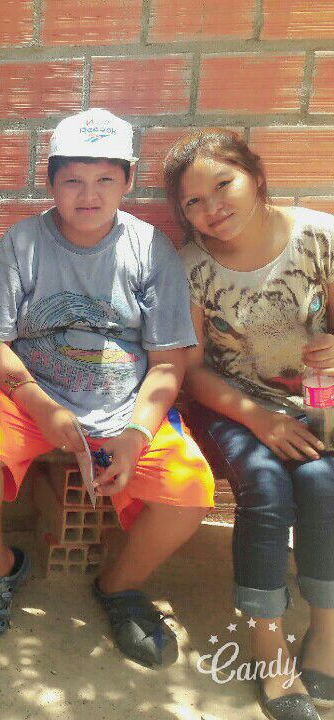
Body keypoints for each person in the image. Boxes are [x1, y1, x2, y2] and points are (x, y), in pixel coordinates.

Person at [0, 109, 214, 668]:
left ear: (128, 179)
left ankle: (120, 585)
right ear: (50, 182)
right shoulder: (23, 243)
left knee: (191, 491)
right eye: (72, 180)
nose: (88, 195)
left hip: (127, 409)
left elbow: (168, 363)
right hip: (33, 398)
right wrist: (39, 406)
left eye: (104, 180)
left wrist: (137, 434)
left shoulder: (151, 250)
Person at [166, 129, 334, 720]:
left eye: (224, 184)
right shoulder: (191, 266)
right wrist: (257, 418)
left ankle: (326, 630)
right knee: (264, 489)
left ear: (256, 178)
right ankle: (269, 644)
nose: (212, 207)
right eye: (193, 201)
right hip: (232, 404)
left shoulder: (320, 237)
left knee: (322, 484)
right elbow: (192, 371)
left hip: (317, 401)